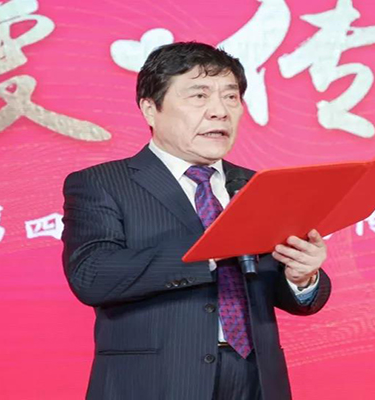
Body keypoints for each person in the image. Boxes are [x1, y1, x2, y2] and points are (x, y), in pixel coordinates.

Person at [61, 41, 331, 400]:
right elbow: (92, 276)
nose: (219, 111)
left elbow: (277, 287)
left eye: (230, 97)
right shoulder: (103, 183)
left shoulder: (258, 186)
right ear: (150, 109)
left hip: (255, 380)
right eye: (199, 96)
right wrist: (210, 248)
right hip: (155, 383)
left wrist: (302, 277)